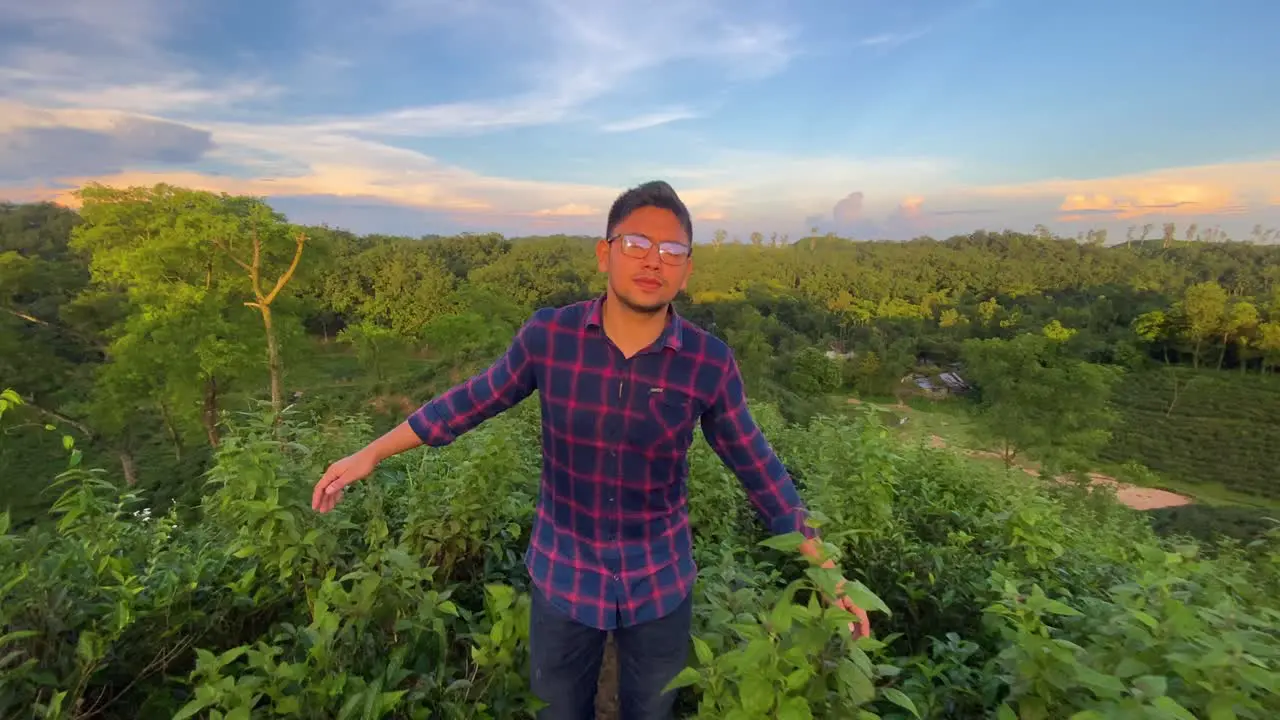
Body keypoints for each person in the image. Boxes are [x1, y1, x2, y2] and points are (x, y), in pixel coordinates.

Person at [311, 180, 871, 720]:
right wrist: (373, 452)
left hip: (660, 579)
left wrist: (829, 578)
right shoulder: (548, 338)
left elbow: (760, 471)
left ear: (688, 269)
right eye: (637, 243)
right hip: (564, 572)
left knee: (649, 710)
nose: (654, 260)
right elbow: (469, 402)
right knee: (557, 711)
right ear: (605, 254)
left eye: (672, 250)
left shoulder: (707, 362)